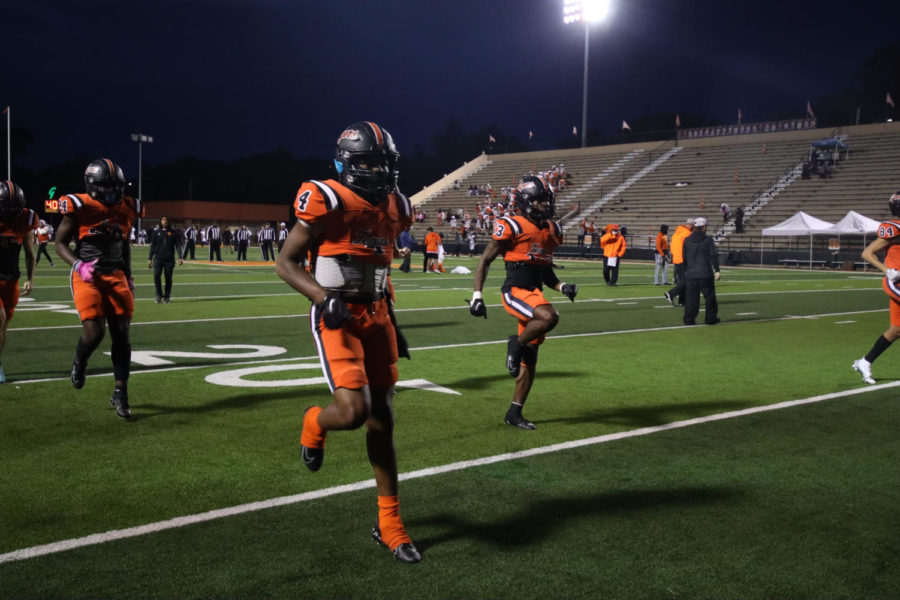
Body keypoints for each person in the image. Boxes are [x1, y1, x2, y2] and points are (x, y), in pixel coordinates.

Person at [275, 121, 420, 563]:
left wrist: (394, 320)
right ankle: (315, 422)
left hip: (378, 315)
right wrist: (321, 298)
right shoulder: (327, 198)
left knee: (384, 419)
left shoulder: (397, 205)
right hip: (338, 316)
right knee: (354, 412)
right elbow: (286, 262)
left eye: (384, 162)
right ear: (345, 163)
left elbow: (381, 268)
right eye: (368, 162)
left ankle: (390, 522)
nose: (378, 170)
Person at [469, 175, 577, 430]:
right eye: (539, 200)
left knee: (530, 361)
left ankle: (514, 413)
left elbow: (546, 271)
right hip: (515, 292)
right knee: (549, 317)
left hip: (534, 295)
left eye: (546, 200)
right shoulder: (512, 226)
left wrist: (562, 286)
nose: (544, 205)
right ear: (526, 201)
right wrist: (477, 296)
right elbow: (485, 260)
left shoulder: (551, 230)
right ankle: (514, 343)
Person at [54, 159, 142, 419]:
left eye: (116, 187)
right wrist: (78, 265)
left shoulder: (127, 207)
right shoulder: (79, 206)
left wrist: (128, 274)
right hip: (88, 276)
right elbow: (59, 243)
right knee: (94, 333)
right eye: (108, 187)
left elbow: (124, 243)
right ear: (92, 186)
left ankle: (121, 392)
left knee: (122, 334)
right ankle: (80, 360)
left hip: (115, 274)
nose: (114, 192)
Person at [852, 191, 900, 385]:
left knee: (896, 329)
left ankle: (865, 361)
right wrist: (887, 270)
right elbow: (867, 253)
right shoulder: (894, 227)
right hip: (896, 281)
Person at [0, 181, 37, 383]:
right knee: (0, 319)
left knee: (3, 326)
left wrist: (30, 279)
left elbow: (30, 254)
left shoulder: (26, 218)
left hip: (11, 279)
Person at [681, 217, 721, 325]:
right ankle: (710, 318)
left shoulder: (687, 240)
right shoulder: (708, 240)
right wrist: (717, 270)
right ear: (704, 227)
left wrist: (687, 270)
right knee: (710, 297)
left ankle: (689, 319)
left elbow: (684, 257)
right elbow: (713, 255)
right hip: (705, 273)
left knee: (691, 299)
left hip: (691, 273)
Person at [148, 215, 183, 303]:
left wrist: (180, 257)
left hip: (169, 259)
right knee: (156, 276)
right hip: (158, 258)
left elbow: (178, 245)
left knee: (168, 278)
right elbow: (153, 246)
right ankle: (159, 295)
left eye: (166, 220)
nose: (165, 221)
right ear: (161, 221)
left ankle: (167, 296)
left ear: (168, 221)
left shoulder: (174, 232)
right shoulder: (156, 232)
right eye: (163, 220)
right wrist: (149, 259)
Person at [664, 219, 694, 306]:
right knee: (686, 281)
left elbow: (672, 246)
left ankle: (682, 301)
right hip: (683, 259)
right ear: (691, 225)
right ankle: (671, 293)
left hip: (676, 259)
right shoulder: (687, 234)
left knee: (682, 281)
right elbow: (689, 248)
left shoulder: (676, 233)